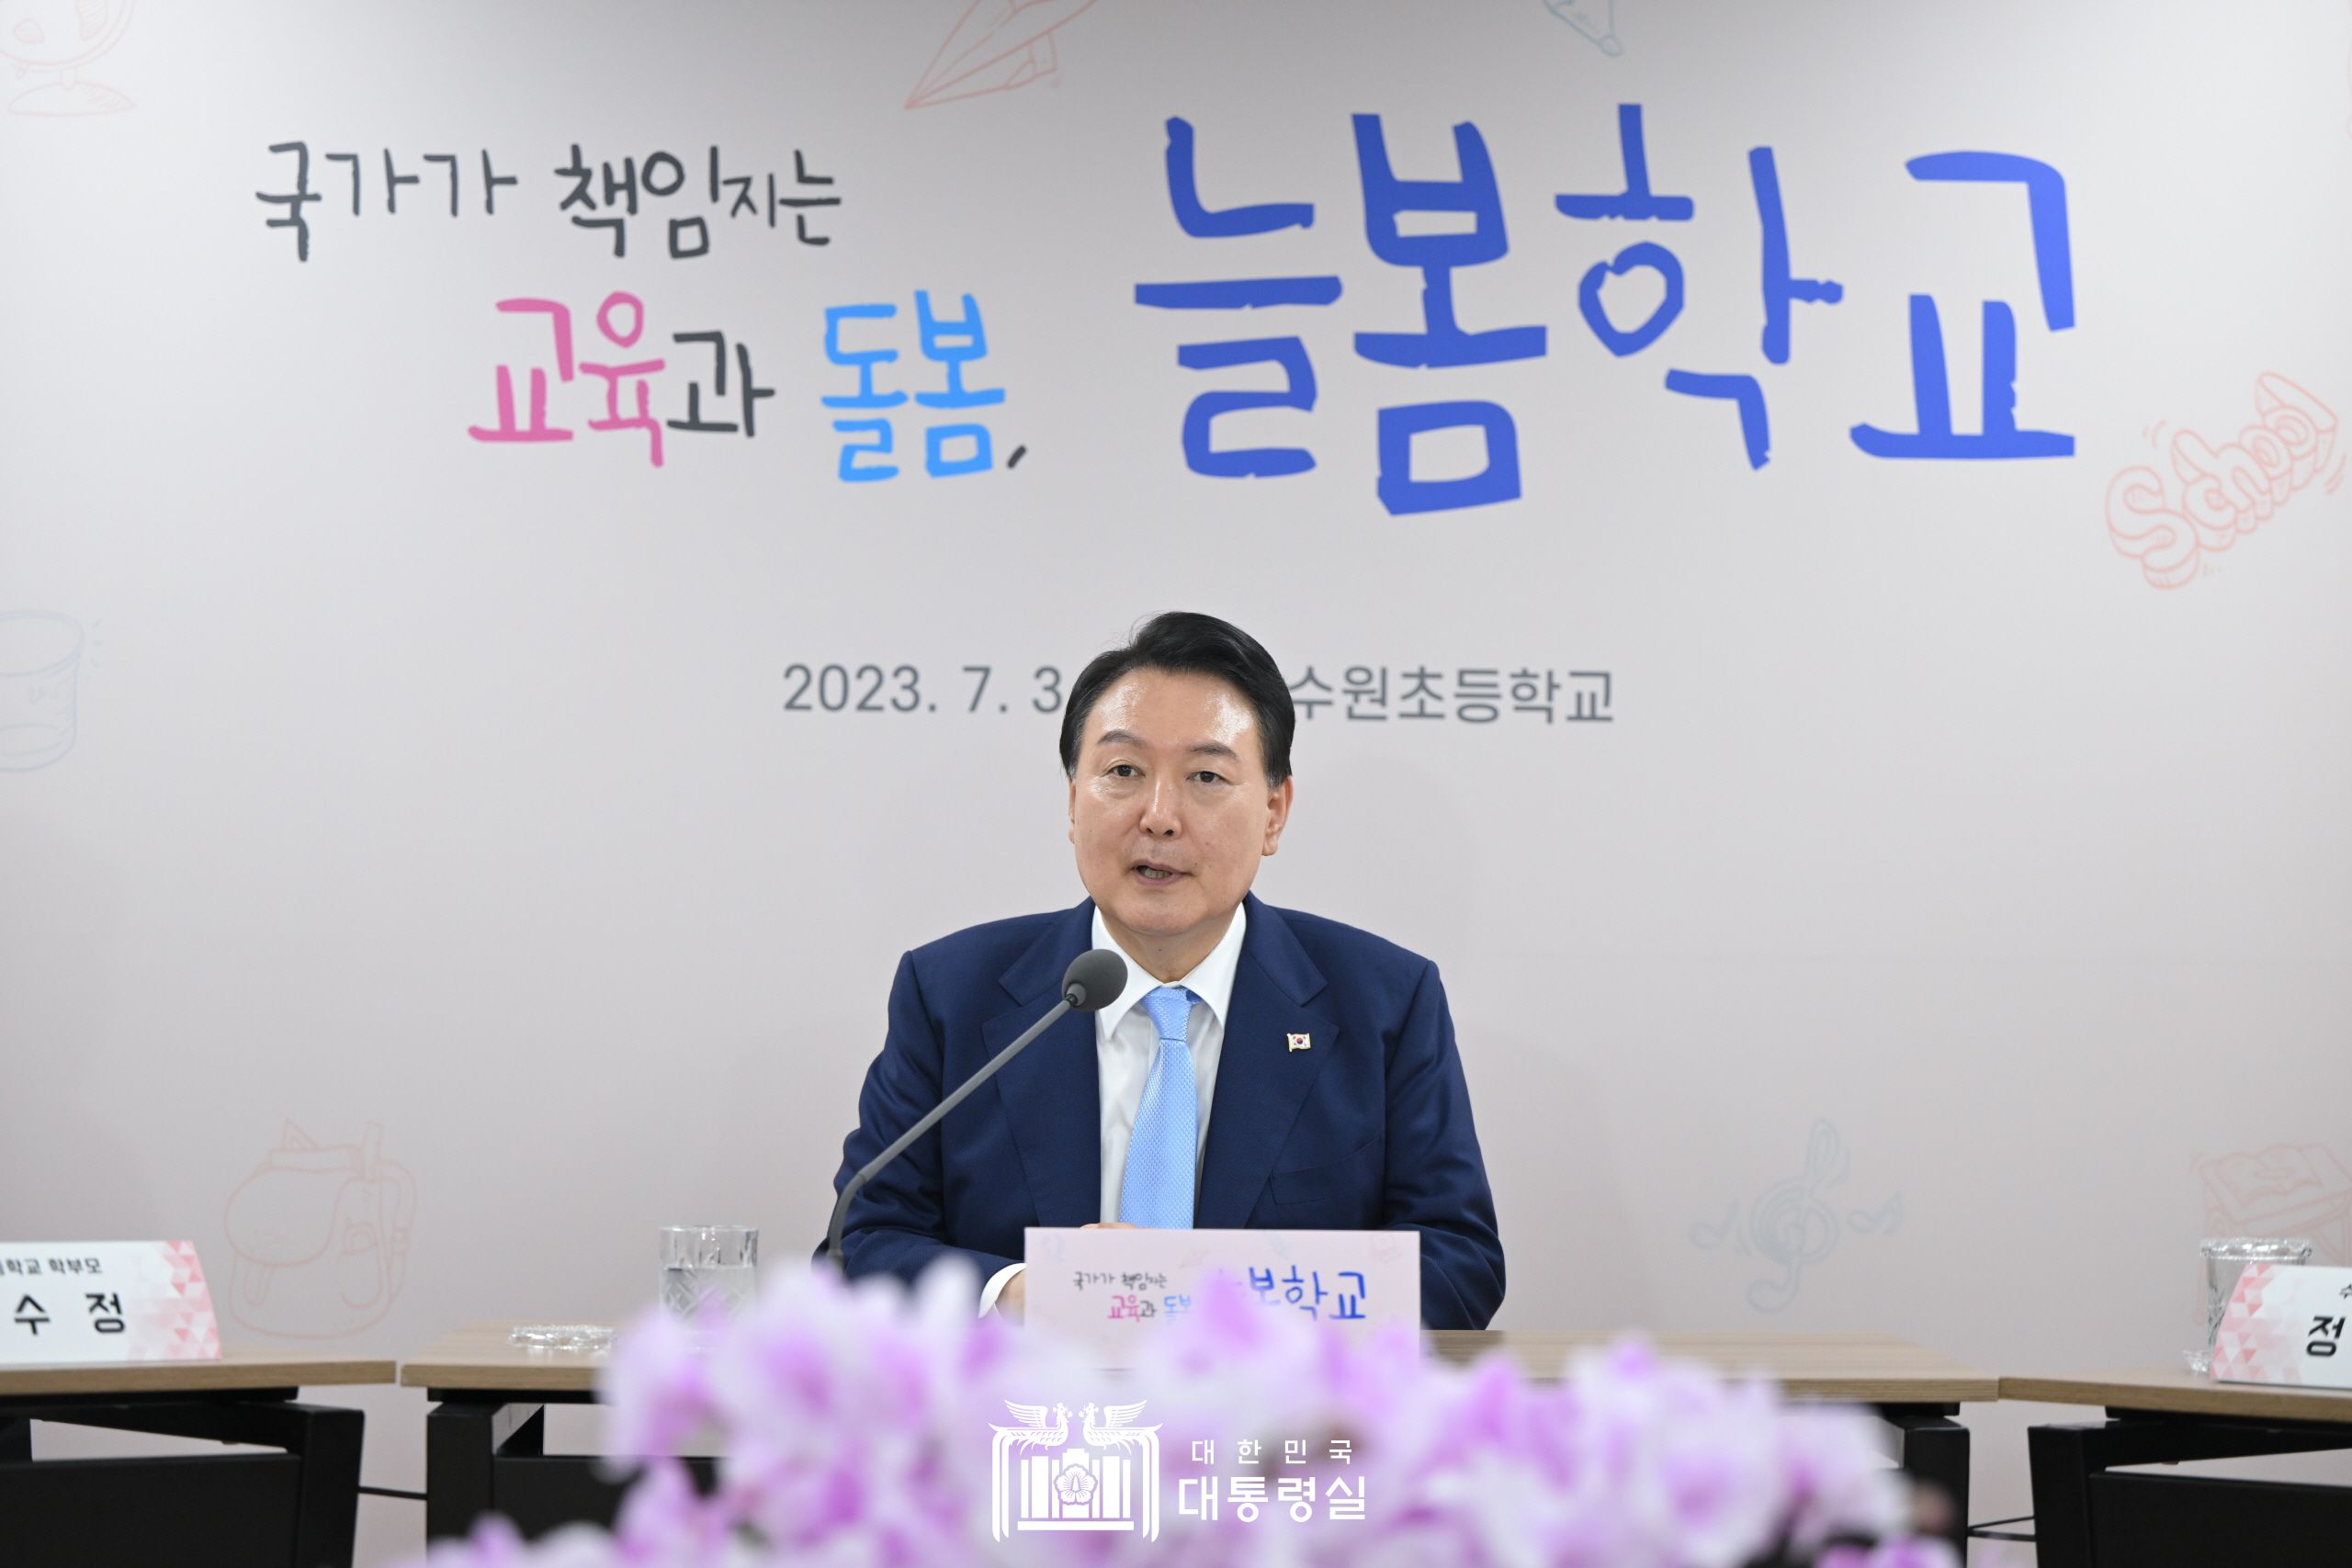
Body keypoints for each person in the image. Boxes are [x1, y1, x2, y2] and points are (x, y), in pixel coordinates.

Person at [820, 612, 1504, 1329]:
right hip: (1027, 1395)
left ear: (1274, 812)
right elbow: (859, 1242)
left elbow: (1458, 1263)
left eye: (1206, 776)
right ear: (1073, 800)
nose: (1159, 816)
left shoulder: (1385, 1003)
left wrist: (1214, 1299)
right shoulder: (950, 994)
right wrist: (1024, 1292)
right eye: (1123, 771)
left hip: (1271, 1398)